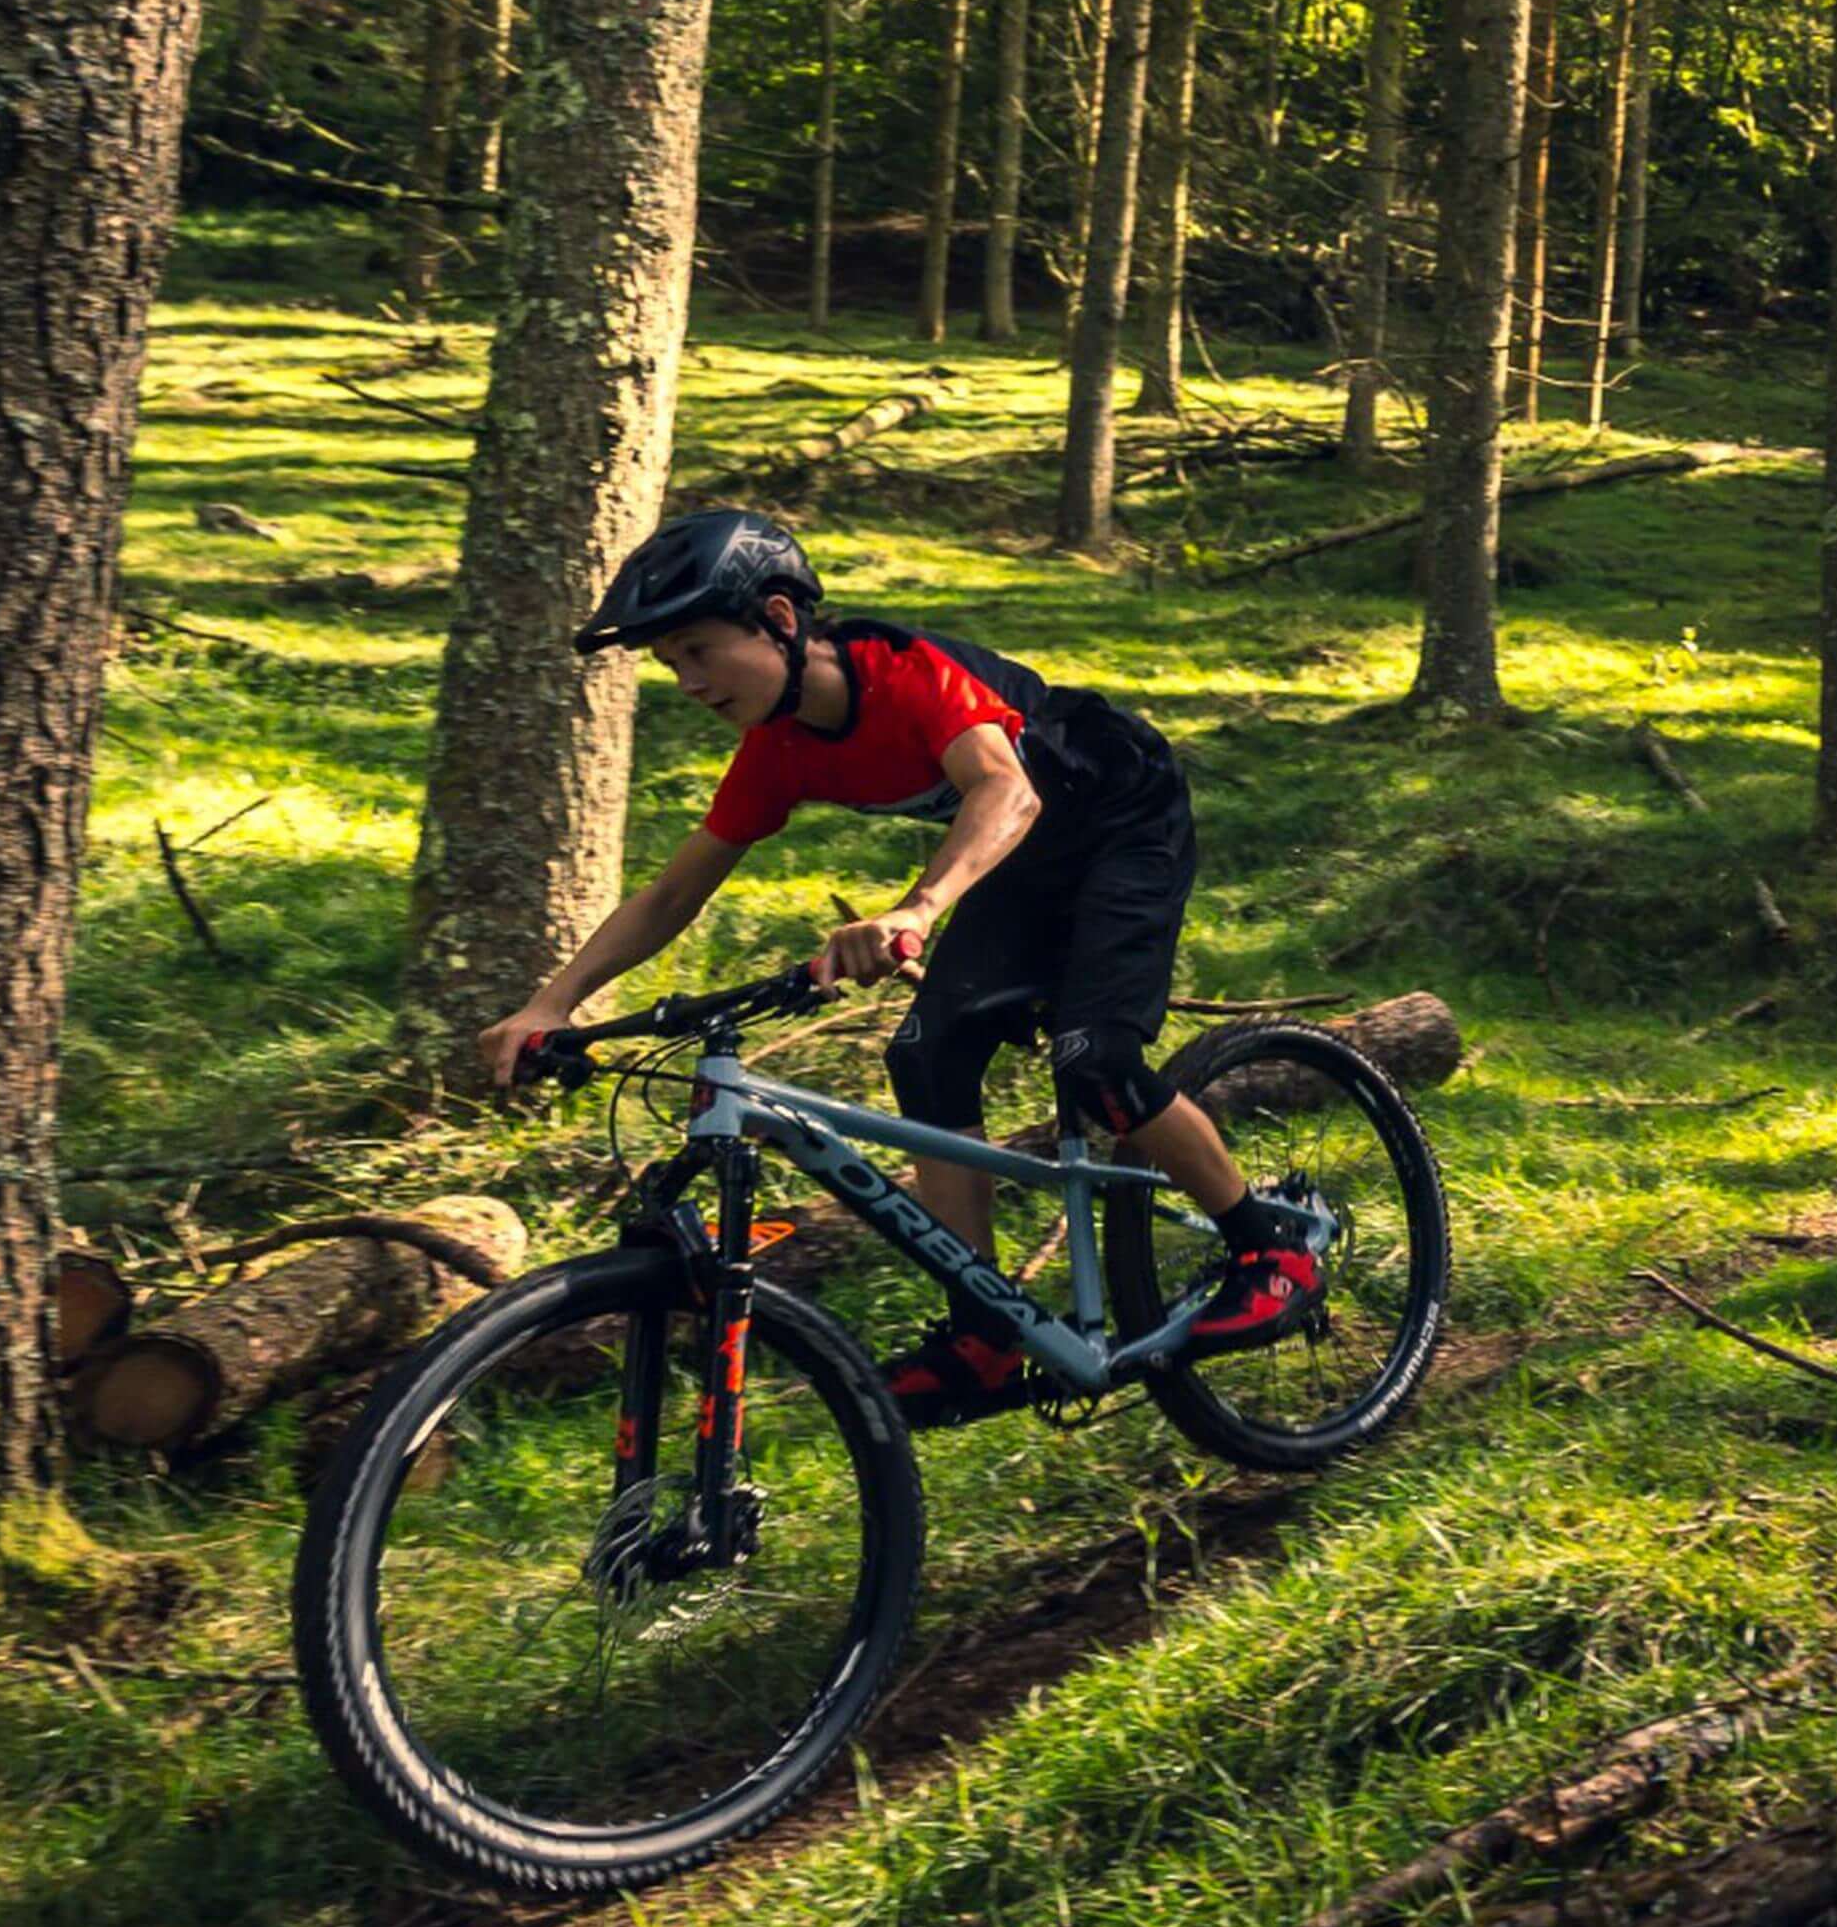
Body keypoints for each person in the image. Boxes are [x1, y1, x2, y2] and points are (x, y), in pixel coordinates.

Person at [475, 509, 1321, 1429]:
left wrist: (918, 909)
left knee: (1094, 1060)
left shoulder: (905, 674)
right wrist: (549, 1004)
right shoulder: (778, 751)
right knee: (926, 1059)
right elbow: (671, 896)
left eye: (698, 649)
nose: (686, 681)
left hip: (1123, 825)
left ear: (781, 620)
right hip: (1021, 863)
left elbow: (1008, 788)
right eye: (670, 663)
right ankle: (988, 1335)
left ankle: (1268, 1246)